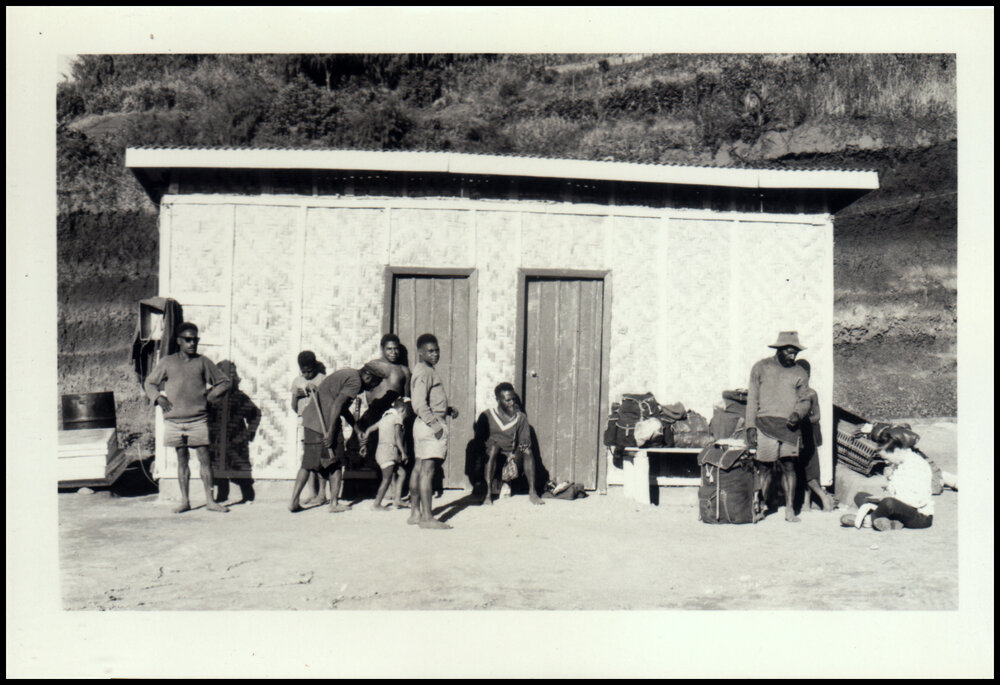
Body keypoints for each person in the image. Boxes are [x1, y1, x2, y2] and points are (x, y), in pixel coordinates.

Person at [143, 322, 232, 514]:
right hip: (174, 422)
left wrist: (210, 397)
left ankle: (210, 501)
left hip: (198, 420)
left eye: (195, 340)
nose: (192, 343)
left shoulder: (203, 362)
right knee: (181, 459)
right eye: (188, 340)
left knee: (204, 460)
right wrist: (158, 397)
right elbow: (150, 383)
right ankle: (185, 501)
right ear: (179, 341)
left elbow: (224, 382)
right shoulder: (167, 362)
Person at [288, 362, 386, 513]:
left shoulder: (350, 374)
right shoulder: (355, 381)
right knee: (337, 462)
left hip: (311, 420)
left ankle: (293, 501)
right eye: (374, 382)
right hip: (325, 422)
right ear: (367, 376)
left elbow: (343, 408)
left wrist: (356, 427)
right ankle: (333, 503)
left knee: (308, 463)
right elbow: (337, 405)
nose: (373, 387)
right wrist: (331, 431)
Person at [746, 331, 813, 523]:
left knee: (789, 465)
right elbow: (752, 399)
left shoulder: (799, 373)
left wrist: (797, 414)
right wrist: (750, 426)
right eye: (789, 352)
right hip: (765, 424)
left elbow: (805, 400)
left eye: (795, 352)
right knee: (764, 467)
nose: (792, 356)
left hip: (789, 427)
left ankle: (790, 509)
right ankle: (760, 506)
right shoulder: (761, 367)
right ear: (779, 350)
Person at [408, 333, 459, 530]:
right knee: (427, 472)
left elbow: (428, 401)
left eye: (437, 350)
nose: (435, 354)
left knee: (419, 468)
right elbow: (419, 404)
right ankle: (427, 518)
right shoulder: (424, 372)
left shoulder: (424, 370)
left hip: (426, 423)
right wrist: (435, 424)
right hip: (430, 425)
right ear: (420, 352)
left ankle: (415, 513)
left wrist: (446, 409)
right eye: (430, 351)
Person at [841, 429, 935, 531]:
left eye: (887, 458)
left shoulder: (916, 466)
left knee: (888, 503)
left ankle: (867, 520)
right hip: (900, 508)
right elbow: (896, 487)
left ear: (897, 451)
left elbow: (917, 500)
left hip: (918, 515)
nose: (886, 462)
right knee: (860, 495)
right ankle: (890, 522)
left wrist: (888, 497)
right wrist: (889, 481)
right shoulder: (899, 463)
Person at [481, 382, 543, 506]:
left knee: (527, 450)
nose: (512, 403)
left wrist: (515, 453)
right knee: (493, 448)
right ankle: (487, 494)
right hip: (493, 460)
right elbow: (479, 443)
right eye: (507, 400)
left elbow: (524, 441)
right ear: (498, 399)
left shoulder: (520, 418)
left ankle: (532, 492)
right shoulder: (487, 415)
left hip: (513, 461)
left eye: (513, 399)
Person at [796, 359, 835, 512]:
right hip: (797, 434)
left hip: (808, 434)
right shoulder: (791, 393)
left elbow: (817, 416)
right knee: (800, 467)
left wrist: (802, 421)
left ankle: (823, 498)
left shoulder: (812, 394)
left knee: (809, 468)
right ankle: (806, 503)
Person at [290, 351, 328, 506]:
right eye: (303, 371)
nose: (306, 374)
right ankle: (312, 492)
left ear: (315, 367)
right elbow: (294, 407)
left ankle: (322, 493)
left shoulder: (323, 380)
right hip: (305, 424)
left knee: (321, 458)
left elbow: (327, 403)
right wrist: (297, 396)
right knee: (308, 458)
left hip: (319, 424)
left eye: (309, 371)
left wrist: (316, 391)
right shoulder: (297, 381)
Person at [364, 397, 412, 510]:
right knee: (387, 478)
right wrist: (403, 453)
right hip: (388, 451)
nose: (405, 416)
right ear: (402, 410)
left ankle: (397, 500)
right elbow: (397, 438)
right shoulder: (397, 418)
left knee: (401, 473)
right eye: (406, 413)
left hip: (382, 451)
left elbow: (370, 429)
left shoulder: (385, 417)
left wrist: (365, 436)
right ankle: (376, 504)